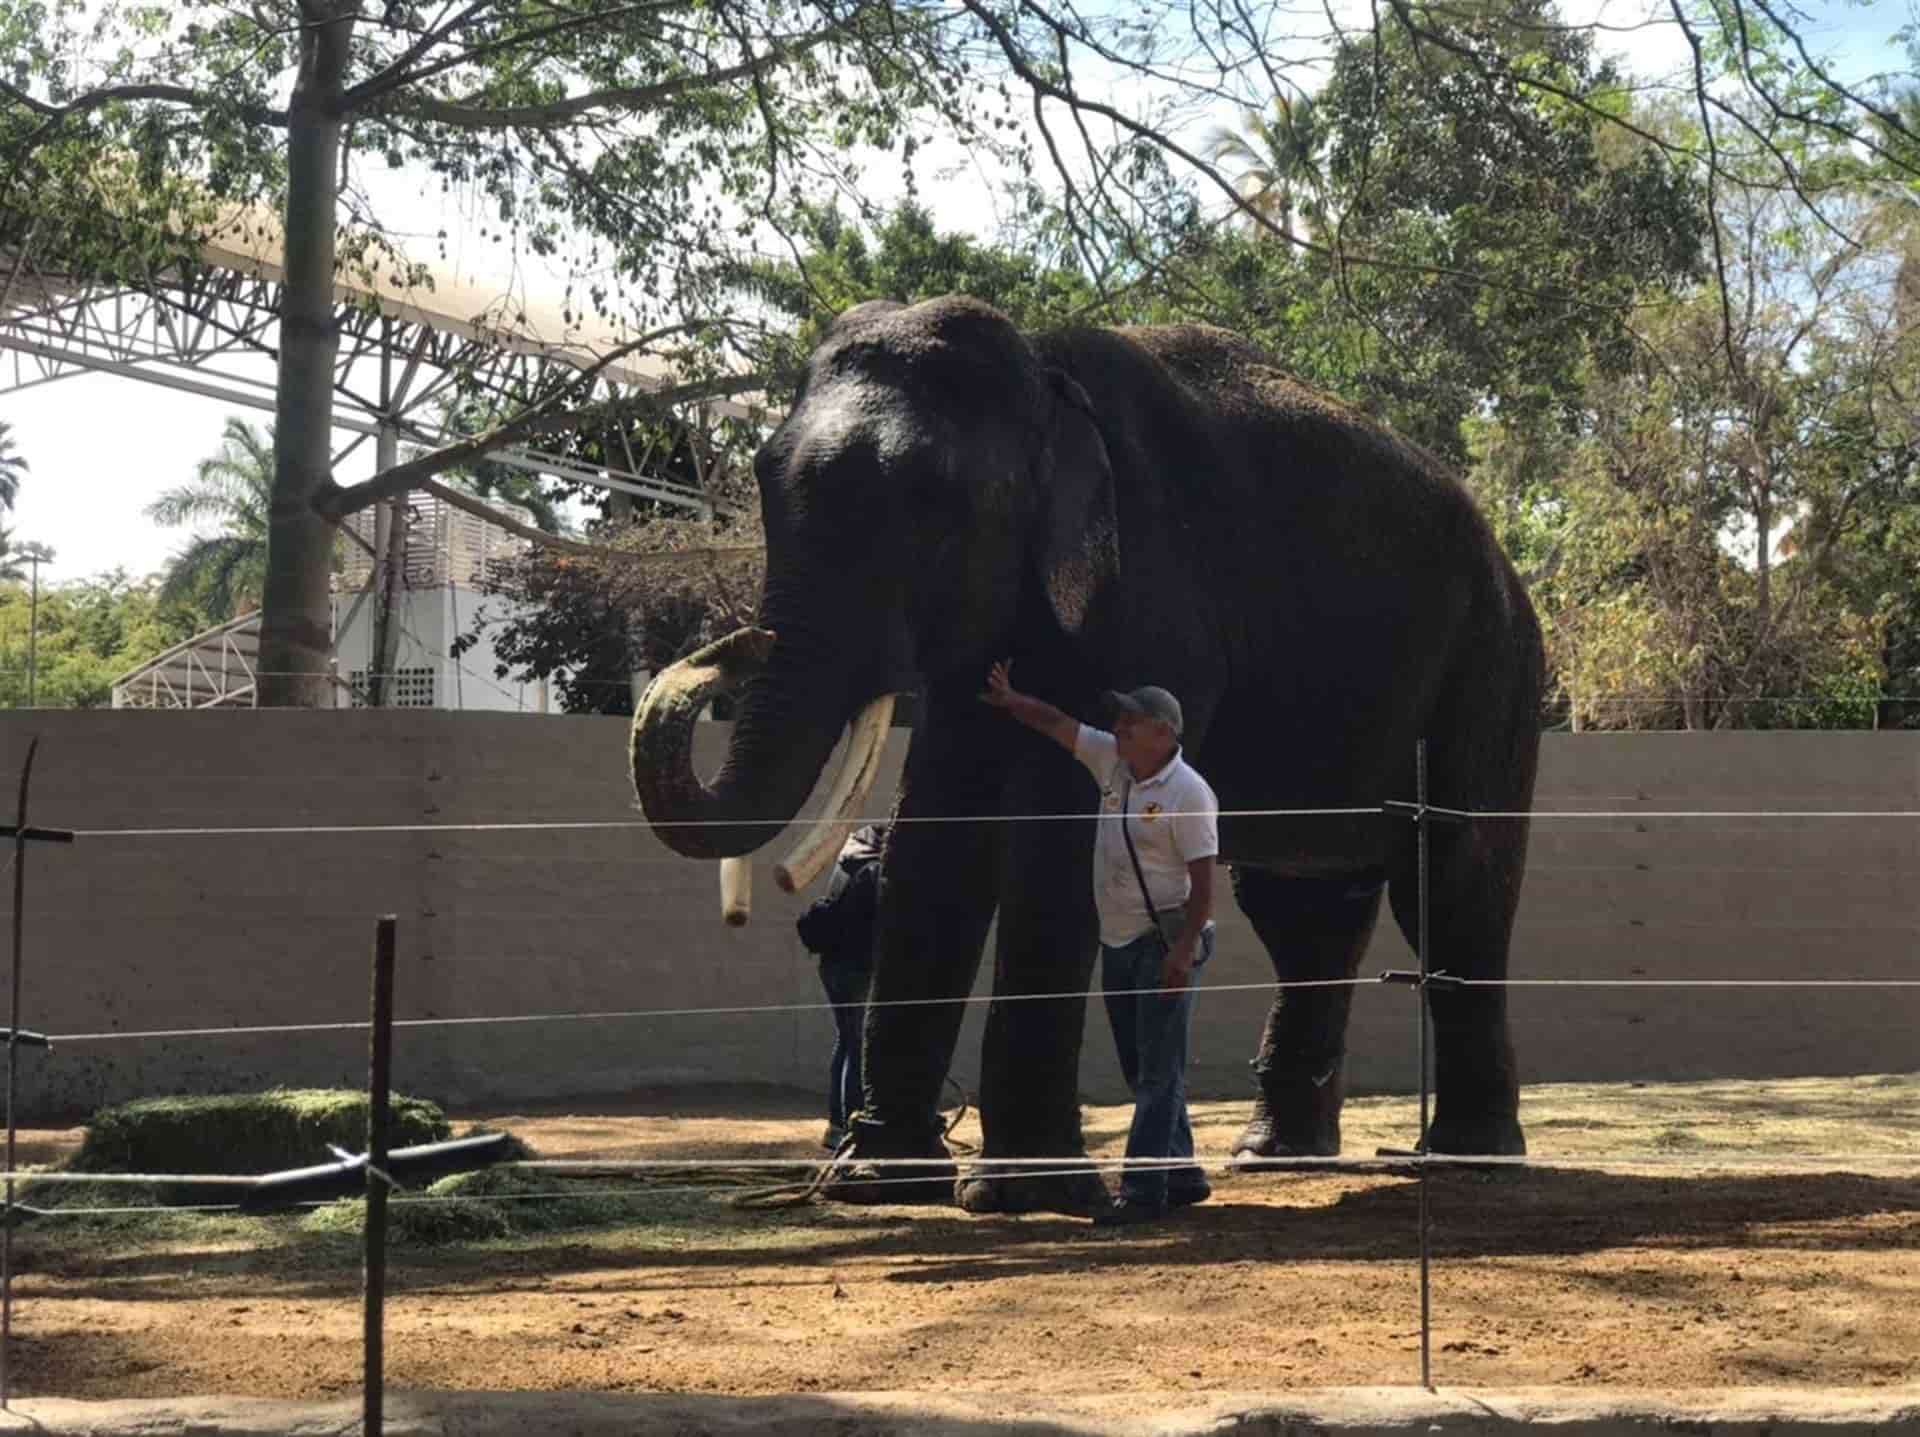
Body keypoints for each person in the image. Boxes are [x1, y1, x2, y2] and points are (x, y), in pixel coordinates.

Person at [981, 662, 1219, 1226]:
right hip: (1118, 939)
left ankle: (1142, 1193)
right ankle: (1181, 1172)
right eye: (1120, 719)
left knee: (1158, 1071)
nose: (1119, 727)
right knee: (1142, 1068)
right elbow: (1059, 724)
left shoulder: (1189, 793)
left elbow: (1206, 886)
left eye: (1132, 721)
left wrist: (1182, 952)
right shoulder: (1113, 763)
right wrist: (1013, 699)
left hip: (1165, 939)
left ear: (1164, 732)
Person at [795, 824, 888, 1150]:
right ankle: (851, 1127)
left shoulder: (847, 863)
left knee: (847, 1040)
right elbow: (875, 925)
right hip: (855, 969)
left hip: (833, 965)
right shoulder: (873, 870)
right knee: (858, 1046)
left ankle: (836, 1125)